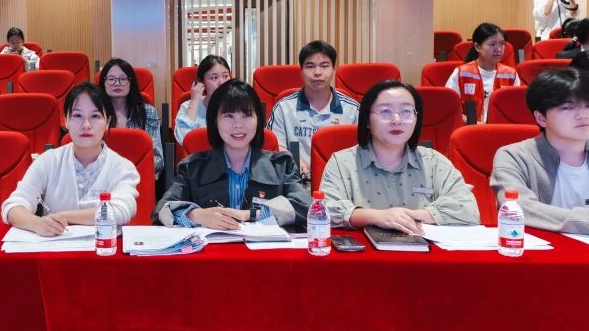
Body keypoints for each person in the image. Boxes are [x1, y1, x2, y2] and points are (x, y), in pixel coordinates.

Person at [490, 68, 589, 235]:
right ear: (541, 118)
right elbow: (519, 208)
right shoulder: (514, 157)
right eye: (568, 107)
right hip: (545, 249)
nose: (583, 115)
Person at [319, 80, 480, 234]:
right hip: (365, 252)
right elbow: (324, 210)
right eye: (385, 111)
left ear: (416, 118)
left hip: (423, 251)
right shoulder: (342, 163)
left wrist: (408, 217)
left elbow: (468, 209)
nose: (397, 120)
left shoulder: (434, 162)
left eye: (406, 111)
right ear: (367, 120)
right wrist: (377, 217)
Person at [155, 79, 310, 229]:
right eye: (228, 116)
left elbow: (306, 207)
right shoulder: (192, 168)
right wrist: (195, 215)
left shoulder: (281, 165)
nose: (238, 125)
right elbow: (162, 211)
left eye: (246, 115)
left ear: (258, 119)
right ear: (214, 121)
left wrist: (251, 214)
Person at [2, 82, 140, 236]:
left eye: (95, 116)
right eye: (77, 116)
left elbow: (121, 211)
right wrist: (37, 223)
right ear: (66, 121)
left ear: (107, 122)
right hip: (55, 248)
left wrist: (61, 216)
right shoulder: (49, 161)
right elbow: (12, 207)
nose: (86, 125)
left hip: (104, 247)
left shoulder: (123, 167)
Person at [267, 40, 359, 180]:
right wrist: (293, 161)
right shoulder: (283, 108)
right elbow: (274, 146)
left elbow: (362, 150)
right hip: (296, 181)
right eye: (310, 66)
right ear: (301, 71)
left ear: (333, 70)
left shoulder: (352, 110)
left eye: (324, 66)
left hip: (341, 182)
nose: (317, 72)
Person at [98, 58, 164, 178]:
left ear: (131, 82)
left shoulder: (148, 112)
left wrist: (129, 173)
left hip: (137, 177)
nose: (117, 83)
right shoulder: (95, 114)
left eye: (123, 79)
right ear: (104, 83)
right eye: (111, 79)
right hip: (101, 177)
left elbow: (157, 159)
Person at [444, 23, 520, 123]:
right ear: (477, 47)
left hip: (501, 129)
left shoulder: (511, 75)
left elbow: (515, 110)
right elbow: (449, 108)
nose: (498, 49)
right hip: (469, 129)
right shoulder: (461, 73)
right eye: (492, 44)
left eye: (502, 44)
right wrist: (473, 123)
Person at [174, 54, 231, 145]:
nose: (222, 82)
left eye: (226, 76)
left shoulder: (238, 105)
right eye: (214, 78)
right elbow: (185, 140)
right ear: (201, 82)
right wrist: (194, 102)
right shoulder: (187, 106)